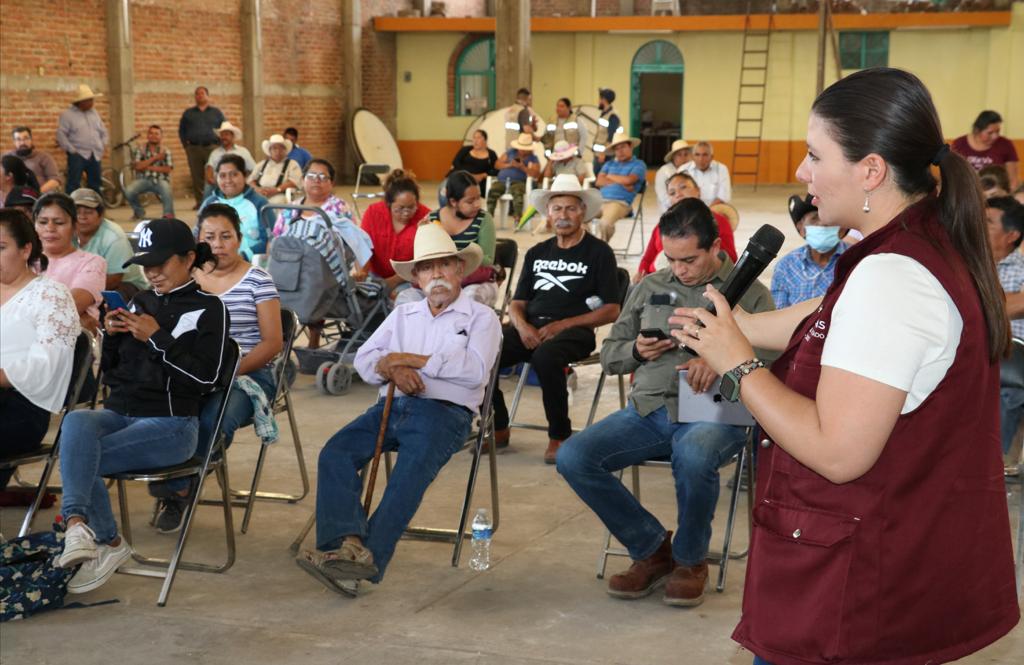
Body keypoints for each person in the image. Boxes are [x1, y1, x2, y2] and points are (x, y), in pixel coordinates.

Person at [670, 67, 1019, 664]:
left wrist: (740, 365)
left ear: (871, 169)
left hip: (853, 597)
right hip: (884, 573)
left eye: (814, 154)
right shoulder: (914, 244)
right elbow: (824, 315)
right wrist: (731, 327)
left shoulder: (891, 277)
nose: (802, 174)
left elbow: (839, 451)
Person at [557, 198, 775, 607]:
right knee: (574, 457)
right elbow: (610, 356)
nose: (679, 269)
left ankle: (691, 561)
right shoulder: (650, 286)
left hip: (715, 411)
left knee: (692, 453)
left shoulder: (749, 291)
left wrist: (726, 360)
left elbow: (777, 360)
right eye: (671, 259)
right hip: (649, 411)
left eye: (689, 259)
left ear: (715, 247)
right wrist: (637, 351)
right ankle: (652, 548)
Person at [296, 223, 500, 596]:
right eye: (427, 268)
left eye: (444, 265)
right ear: (417, 278)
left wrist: (408, 359)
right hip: (395, 405)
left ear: (459, 269)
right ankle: (348, 545)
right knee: (336, 452)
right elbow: (364, 359)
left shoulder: (480, 317)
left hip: (447, 414)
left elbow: (473, 372)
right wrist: (394, 368)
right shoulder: (404, 315)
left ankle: (368, 559)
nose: (436, 274)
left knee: (409, 473)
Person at [53, 218, 228, 595]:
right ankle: (81, 530)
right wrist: (112, 339)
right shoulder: (140, 300)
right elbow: (116, 376)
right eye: (146, 265)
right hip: (123, 413)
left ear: (188, 258)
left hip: (173, 424)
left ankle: (104, 541)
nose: (151, 273)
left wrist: (158, 338)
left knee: (81, 456)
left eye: (160, 264)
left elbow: (207, 380)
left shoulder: (210, 309)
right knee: (77, 424)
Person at [149, 204, 283, 533]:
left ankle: (178, 488)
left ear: (239, 238)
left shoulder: (258, 280)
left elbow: (271, 344)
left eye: (226, 236)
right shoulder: (188, 278)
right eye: (210, 236)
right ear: (198, 241)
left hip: (247, 373)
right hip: (192, 370)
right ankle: (178, 476)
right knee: (162, 408)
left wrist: (227, 372)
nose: (219, 244)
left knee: (213, 417)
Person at [492, 174, 622, 462]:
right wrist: (522, 325)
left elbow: (612, 309)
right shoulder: (538, 252)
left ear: (583, 212)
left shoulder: (599, 252)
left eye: (571, 208)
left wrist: (562, 324)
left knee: (546, 357)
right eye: (557, 209)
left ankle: (559, 436)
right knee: (484, 348)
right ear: (548, 214)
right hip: (532, 326)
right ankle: (497, 424)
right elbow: (517, 303)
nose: (563, 215)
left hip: (575, 331)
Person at [0, 209, 79, 490]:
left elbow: (49, 363)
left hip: (22, 407)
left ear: (25, 249)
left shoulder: (50, 295)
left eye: (1, 247)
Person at [273, 159, 373, 350]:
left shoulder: (338, 209)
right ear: (303, 180)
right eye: (311, 176)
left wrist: (361, 269)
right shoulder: (290, 209)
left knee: (313, 281)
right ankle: (281, 345)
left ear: (331, 183)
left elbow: (354, 241)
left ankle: (313, 342)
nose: (316, 180)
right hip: (290, 270)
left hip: (327, 272)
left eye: (322, 177)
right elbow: (275, 242)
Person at [414, 170, 498, 306]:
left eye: (478, 198)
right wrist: (424, 235)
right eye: (470, 201)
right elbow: (424, 258)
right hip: (440, 279)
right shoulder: (433, 219)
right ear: (453, 201)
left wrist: (452, 256)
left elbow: (487, 260)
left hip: (475, 281)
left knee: (469, 299)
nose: (477, 204)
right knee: (409, 297)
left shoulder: (483, 219)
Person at [635, 173, 737, 283]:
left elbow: (730, 257)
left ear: (698, 190)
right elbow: (647, 258)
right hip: (657, 280)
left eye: (683, 187)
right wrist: (642, 275)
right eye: (672, 193)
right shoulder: (663, 224)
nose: (678, 194)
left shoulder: (716, 220)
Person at [33, 192, 106, 332]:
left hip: (72, 346)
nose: (50, 228)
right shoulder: (24, 260)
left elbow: (70, 306)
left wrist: (76, 312)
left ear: (74, 226)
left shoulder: (92, 262)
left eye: (59, 222)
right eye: (42, 222)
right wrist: (80, 316)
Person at [985, 196, 1024, 458]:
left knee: (1008, 393)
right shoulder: (963, 262)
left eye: (987, 222)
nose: (977, 225)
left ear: (1011, 235)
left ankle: (994, 468)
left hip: (1012, 362)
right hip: (967, 355)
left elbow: (993, 309)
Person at [357, 169, 430, 298]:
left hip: (410, 278)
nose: (406, 212)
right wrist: (363, 271)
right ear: (388, 204)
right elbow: (363, 246)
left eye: (412, 207)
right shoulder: (373, 213)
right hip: (376, 275)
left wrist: (394, 281)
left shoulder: (425, 217)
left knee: (403, 297)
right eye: (400, 208)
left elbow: (424, 260)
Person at [769, 194, 848, 309]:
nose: (822, 223)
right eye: (814, 218)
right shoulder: (786, 267)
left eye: (828, 217)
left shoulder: (858, 260)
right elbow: (778, 314)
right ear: (801, 229)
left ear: (842, 229)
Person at [70, 188, 148, 298]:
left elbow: (114, 279)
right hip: (82, 283)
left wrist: (82, 293)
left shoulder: (114, 237)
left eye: (89, 212)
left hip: (124, 286)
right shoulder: (66, 231)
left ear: (101, 215)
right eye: (77, 213)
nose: (82, 217)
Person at [199, 154, 268, 260]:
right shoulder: (209, 204)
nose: (228, 180)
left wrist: (243, 256)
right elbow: (197, 237)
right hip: (214, 264)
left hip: (250, 264)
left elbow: (270, 240)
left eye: (234, 174)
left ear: (245, 176)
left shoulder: (259, 203)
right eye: (222, 176)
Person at [179, 86, 226, 208]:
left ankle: (216, 199)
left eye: (202, 93)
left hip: (212, 148)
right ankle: (200, 202)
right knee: (197, 176)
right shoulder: (188, 113)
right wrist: (186, 146)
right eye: (197, 94)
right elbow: (181, 130)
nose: (199, 96)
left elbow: (224, 128)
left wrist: (221, 145)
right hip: (194, 149)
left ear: (207, 96)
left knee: (214, 174)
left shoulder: (216, 113)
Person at [57, 85, 108, 195]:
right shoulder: (67, 115)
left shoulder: (94, 113)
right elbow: (61, 135)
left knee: (96, 184)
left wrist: (102, 144)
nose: (92, 102)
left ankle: (96, 209)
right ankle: (72, 208)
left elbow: (103, 131)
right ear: (81, 102)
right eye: (89, 100)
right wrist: (72, 150)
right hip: (78, 154)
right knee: (74, 183)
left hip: (95, 154)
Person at [594, 134, 646, 243]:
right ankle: (584, 247)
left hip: (619, 203)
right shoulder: (609, 164)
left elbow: (629, 180)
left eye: (623, 147)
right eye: (617, 149)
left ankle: (601, 250)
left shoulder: (639, 165)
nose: (620, 151)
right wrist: (622, 181)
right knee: (578, 217)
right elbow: (599, 181)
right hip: (600, 201)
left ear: (630, 146)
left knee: (605, 224)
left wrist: (609, 176)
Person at [952, 110, 1019, 191]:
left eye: (998, 131)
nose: (995, 136)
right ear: (977, 130)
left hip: (996, 194)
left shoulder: (1006, 145)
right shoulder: (959, 144)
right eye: (990, 133)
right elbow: (951, 175)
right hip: (966, 192)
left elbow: (1013, 180)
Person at [123, 125, 175, 220]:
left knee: (166, 189)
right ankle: (139, 212)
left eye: (156, 134)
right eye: (151, 133)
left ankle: (168, 216)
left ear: (161, 136)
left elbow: (167, 169)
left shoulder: (166, 151)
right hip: (144, 180)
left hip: (161, 180)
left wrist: (146, 166)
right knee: (129, 191)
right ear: (147, 135)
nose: (153, 136)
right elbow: (137, 167)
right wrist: (155, 158)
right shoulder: (140, 149)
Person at [486, 133, 540, 223]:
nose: (522, 150)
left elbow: (536, 174)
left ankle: (517, 216)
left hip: (519, 182)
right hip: (502, 181)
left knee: (517, 192)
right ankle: (489, 216)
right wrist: (510, 164)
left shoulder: (533, 158)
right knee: (493, 190)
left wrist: (522, 167)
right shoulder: (510, 152)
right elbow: (497, 165)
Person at [204, 121, 255, 200]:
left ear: (232, 136)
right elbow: (209, 168)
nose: (223, 137)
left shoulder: (243, 152)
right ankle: (206, 209)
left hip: (237, 180)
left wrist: (243, 178)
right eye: (222, 135)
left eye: (226, 134)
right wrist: (211, 179)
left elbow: (253, 169)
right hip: (219, 181)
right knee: (208, 187)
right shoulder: (215, 153)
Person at [249, 134, 303, 205]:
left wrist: (277, 190)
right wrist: (257, 189)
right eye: (274, 148)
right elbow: (251, 181)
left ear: (285, 150)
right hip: (261, 193)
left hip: (280, 194)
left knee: (278, 202)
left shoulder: (292, 164)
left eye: (281, 148)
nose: (278, 151)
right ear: (270, 151)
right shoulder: (261, 164)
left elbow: (294, 182)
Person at [6, 126, 61, 193]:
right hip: (13, 197)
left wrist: (36, 193)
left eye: (26, 138)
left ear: (31, 139)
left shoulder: (44, 157)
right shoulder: (7, 158)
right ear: (14, 142)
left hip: (40, 196)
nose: (22, 143)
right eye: (18, 139)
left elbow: (55, 180)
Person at [681, 142, 731, 207]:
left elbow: (724, 196)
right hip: (690, 209)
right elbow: (680, 196)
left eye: (705, 155)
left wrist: (707, 211)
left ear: (711, 157)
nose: (701, 159)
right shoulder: (683, 170)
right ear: (693, 157)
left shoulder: (721, 169)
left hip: (715, 209)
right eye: (697, 155)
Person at [450, 129, 498, 195]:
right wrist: (469, 176)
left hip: (480, 182)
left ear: (485, 140)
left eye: (478, 138)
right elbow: (455, 163)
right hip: (462, 177)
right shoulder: (465, 150)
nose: (475, 141)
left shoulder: (491, 154)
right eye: (474, 138)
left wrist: (483, 175)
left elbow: (496, 169)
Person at [654, 139, 691, 213]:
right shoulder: (663, 172)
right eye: (679, 155)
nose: (683, 158)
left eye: (686, 154)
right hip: (669, 210)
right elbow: (663, 196)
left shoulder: (692, 170)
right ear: (673, 157)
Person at [593, 88, 621, 167]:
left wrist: (603, 153)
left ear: (604, 100)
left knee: (601, 177)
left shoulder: (612, 116)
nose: (598, 101)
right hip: (599, 154)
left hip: (606, 156)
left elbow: (611, 136)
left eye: (599, 99)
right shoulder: (604, 114)